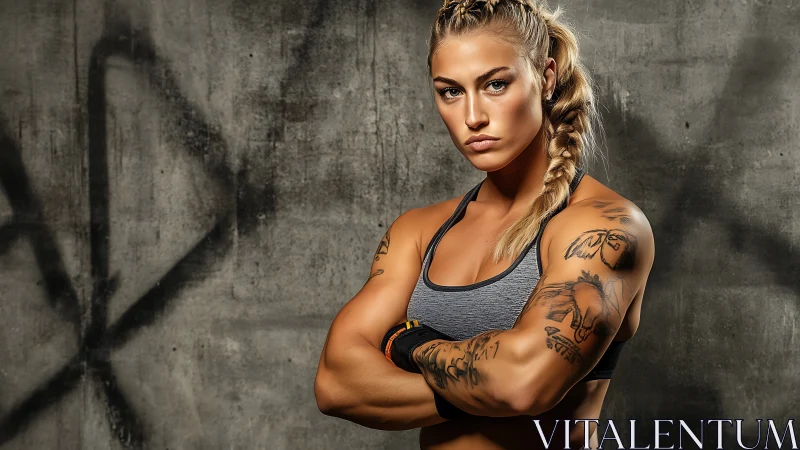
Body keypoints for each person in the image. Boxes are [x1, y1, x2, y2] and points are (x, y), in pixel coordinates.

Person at [314, 0, 655, 448]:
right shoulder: (418, 231)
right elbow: (336, 384)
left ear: (546, 78)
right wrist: (484, 383)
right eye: (450, 91)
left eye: (495, 84)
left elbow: (523, 384)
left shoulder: (603, 227)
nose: (472, 116)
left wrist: (407, 344)